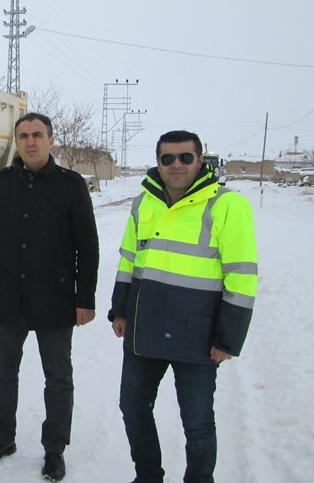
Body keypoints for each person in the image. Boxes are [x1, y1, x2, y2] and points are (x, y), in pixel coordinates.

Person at [108, 130, 258, 483]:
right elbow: (128, 260)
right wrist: (120, 310)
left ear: (200, 161)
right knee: (133, 408)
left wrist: (227, 339)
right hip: (145, 328)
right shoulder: (144, 202)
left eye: (185, 157)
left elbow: (242, 275)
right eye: (168, 158)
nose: (176, 164)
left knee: (197, 422)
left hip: (198, 335)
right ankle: (148, 476)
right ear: (158, 162)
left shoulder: (226, 205)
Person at [0, 112, 99, 482]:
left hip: (55, 298)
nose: (30, 142)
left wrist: (85, 298)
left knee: (58, 377)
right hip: (8, 296)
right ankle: (1, 437)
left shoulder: (71, 185)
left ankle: (55, 448)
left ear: (51, 140)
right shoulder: (1, 183)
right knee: (3, 372)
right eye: (23, 135)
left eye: (37, 135)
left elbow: (87, 246)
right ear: (17, 141)